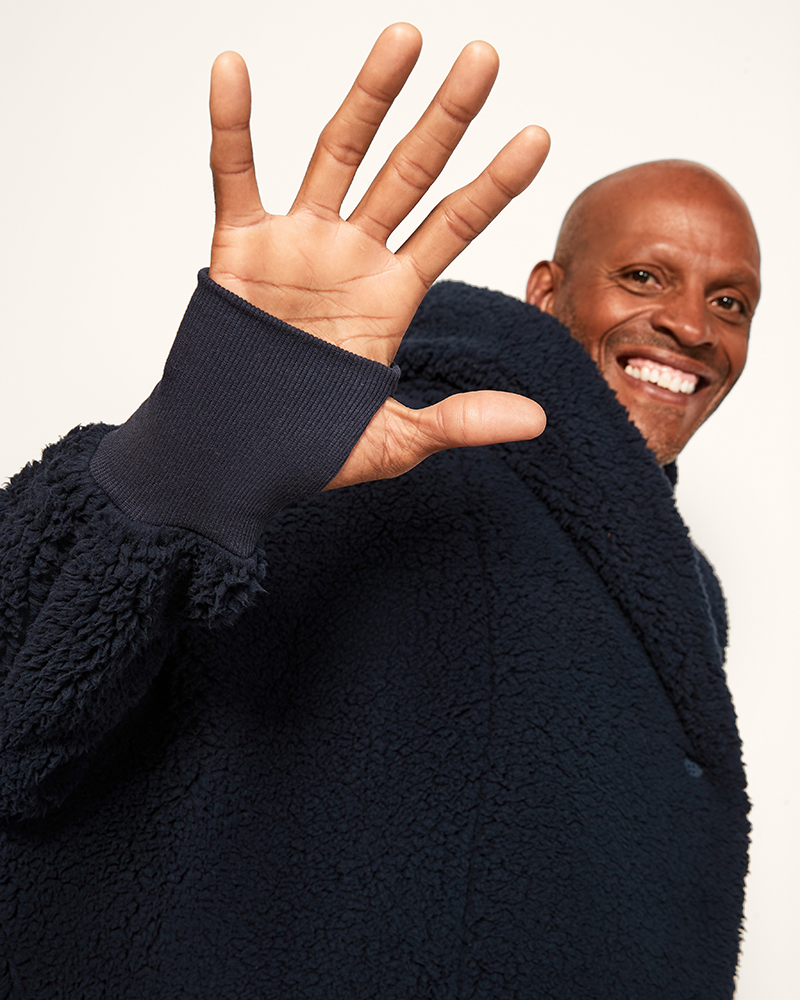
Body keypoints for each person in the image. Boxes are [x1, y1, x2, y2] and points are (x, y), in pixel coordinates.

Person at [0, 23, 759, 1000]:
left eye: (730, 301)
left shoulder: (681, 597)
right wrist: (193, 453)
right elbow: (31, 700)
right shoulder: (363, 454)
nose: (691, 326)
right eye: (644, 276)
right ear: (546, 292)